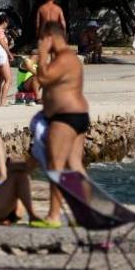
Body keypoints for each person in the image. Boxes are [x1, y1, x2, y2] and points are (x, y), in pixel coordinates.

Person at [37, 20, 89, 228]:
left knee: (55, 166)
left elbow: (43, 78)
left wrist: (41, 54)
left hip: (66, 117)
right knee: (74, 165)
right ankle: (85, 212)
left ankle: (53, 216)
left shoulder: (66, 58)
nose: (41, 42)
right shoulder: (66, 58)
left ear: (50, 37)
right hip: (75, 115)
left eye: (42, 38)